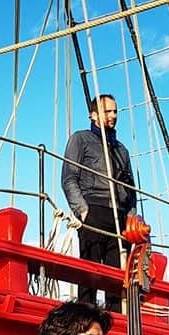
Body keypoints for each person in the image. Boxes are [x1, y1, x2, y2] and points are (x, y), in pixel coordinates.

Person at [61, 94, 136, 312]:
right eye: (107, 111)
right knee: (89, 273)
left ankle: (115, 322)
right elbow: (68, 177)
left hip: (120, 217)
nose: (113, 115)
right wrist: (83, 211)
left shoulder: (122, 150)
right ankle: (85, 319)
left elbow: (130, 188)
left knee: (116, 277)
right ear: (93, 115)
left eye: (115, 111)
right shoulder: (80, 139)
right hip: (93, 209)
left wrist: (131, 220)